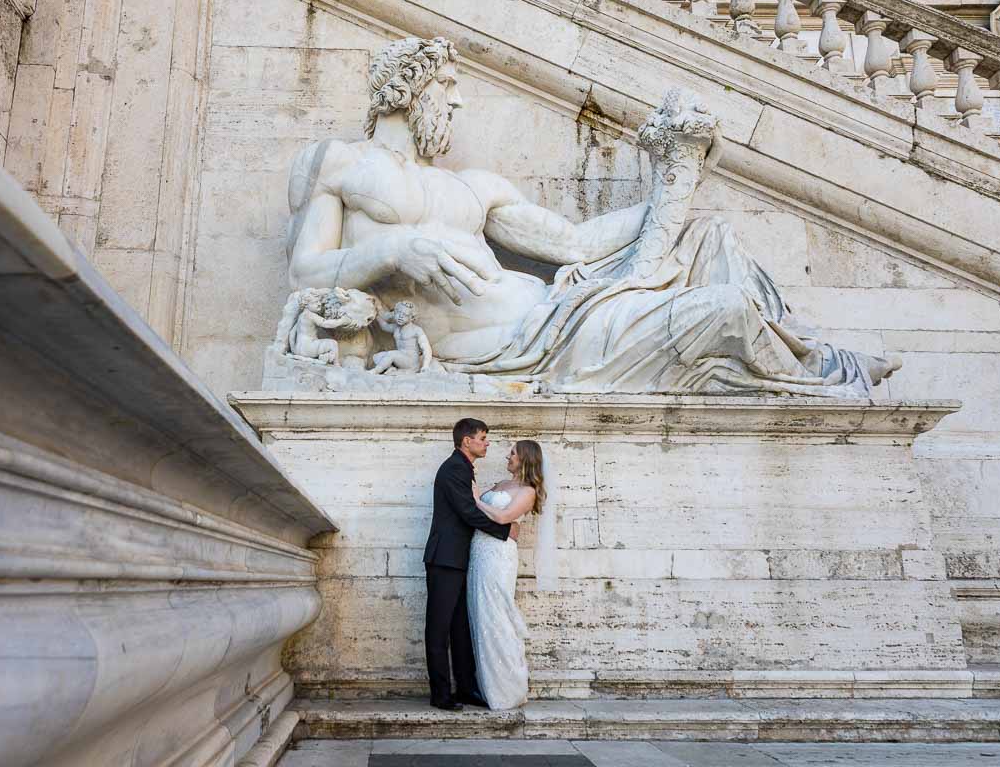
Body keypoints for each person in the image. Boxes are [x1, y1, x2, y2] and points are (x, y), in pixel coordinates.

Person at [284, 37, 900, 396]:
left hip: (559, 316)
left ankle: (813, 360)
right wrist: (392, 253)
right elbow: (306, 272)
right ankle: (825, 376)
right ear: (411, 88)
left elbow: (577, 243)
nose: (459, 99)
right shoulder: (339, 163)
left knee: (710, 236)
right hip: (516, 347)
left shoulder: (472, 187)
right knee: (728, 309)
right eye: (448, 85)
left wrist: (673, 177)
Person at [423, 418, 518, 711]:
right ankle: (440, 694)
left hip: (460, 559)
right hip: (445, 560)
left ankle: (465, 688)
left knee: (461, 628)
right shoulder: (453, 469)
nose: (487, 442)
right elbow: (467, 512)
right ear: (467, 441)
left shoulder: (463, 468)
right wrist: (505, 532)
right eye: (483, 437)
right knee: (438, 629)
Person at [468, 440, 545, 710]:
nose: (507, 456)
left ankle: (506, 689)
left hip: (499, 556)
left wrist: (477, 500)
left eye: (512, 452)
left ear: (524, 458)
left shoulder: (528, 491)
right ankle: (486, 685)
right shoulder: (501, 484)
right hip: (479, 552)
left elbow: (503, 518)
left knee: (497, 616)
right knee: (480, 614)